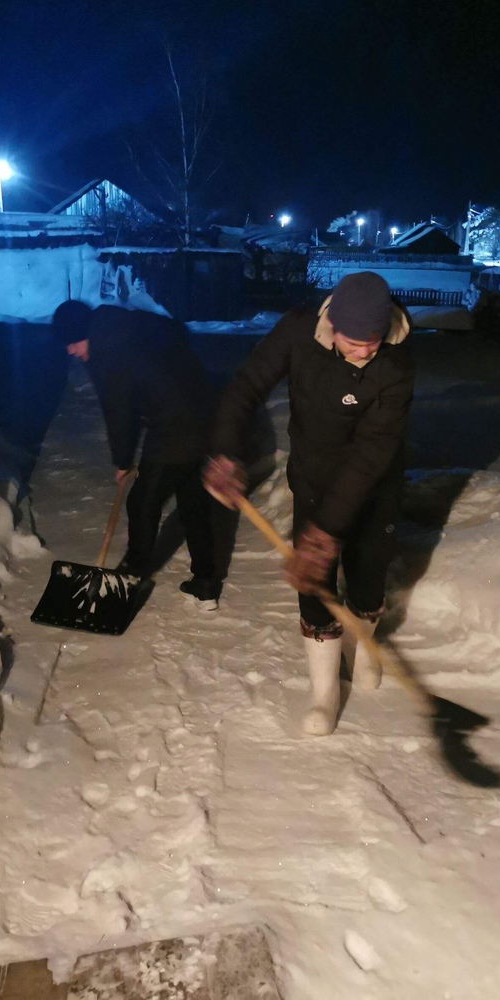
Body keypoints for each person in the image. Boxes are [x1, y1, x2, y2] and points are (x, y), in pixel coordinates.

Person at [203, 271, 414, 734]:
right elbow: (245, 388)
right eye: (354, 341)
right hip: (316, 477)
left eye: (373, 340)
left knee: (368, 574)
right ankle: (324, 691)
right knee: (314, 586)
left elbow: (372, 454)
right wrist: (224, 450)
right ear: (332, 324)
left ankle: (362, 651)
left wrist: (327, 533)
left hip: (375, 483)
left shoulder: (396, 360)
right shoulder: (298, 331)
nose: (364, 351)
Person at [52, 300, 222, 609]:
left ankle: (127, 582)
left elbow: (118, 411)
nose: (71, 351)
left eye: (73, 343)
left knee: (143, 502)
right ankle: (205, 584)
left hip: (174, 425)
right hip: (209, 412)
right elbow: (177, 332)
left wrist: (122, 461)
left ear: (85, 334)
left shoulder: (107, 352)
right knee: (192, 501)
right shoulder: (131, 325)